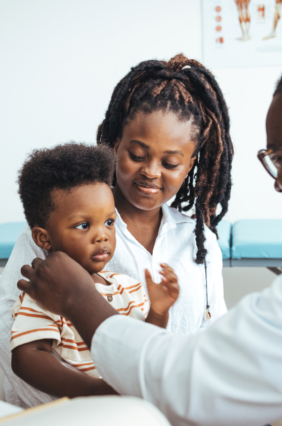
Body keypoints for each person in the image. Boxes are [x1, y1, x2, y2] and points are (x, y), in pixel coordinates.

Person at [18, 33, 282, 426]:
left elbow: (210, 372)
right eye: (137, 155)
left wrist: (79, 300)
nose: (278, 181)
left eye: (280, 158)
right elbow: (19, 350)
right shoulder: (54, 232)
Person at [0, 54, 234, 407]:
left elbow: (209, 339)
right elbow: (4, 335)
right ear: (115, 144)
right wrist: (95, 409)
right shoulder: (62, 232)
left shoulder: (200, 243)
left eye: (170, 163)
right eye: (136, 154)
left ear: (190, 163)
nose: (151, 172)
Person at [10, 143, 179, 398]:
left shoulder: (127, 286)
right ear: (43, 238)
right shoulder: (44, 294)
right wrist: (91, 390)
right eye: (83, 225)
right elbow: (26, 357)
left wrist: (158, 312)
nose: (102, 235)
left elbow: (142, 348)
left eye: (109, 222)